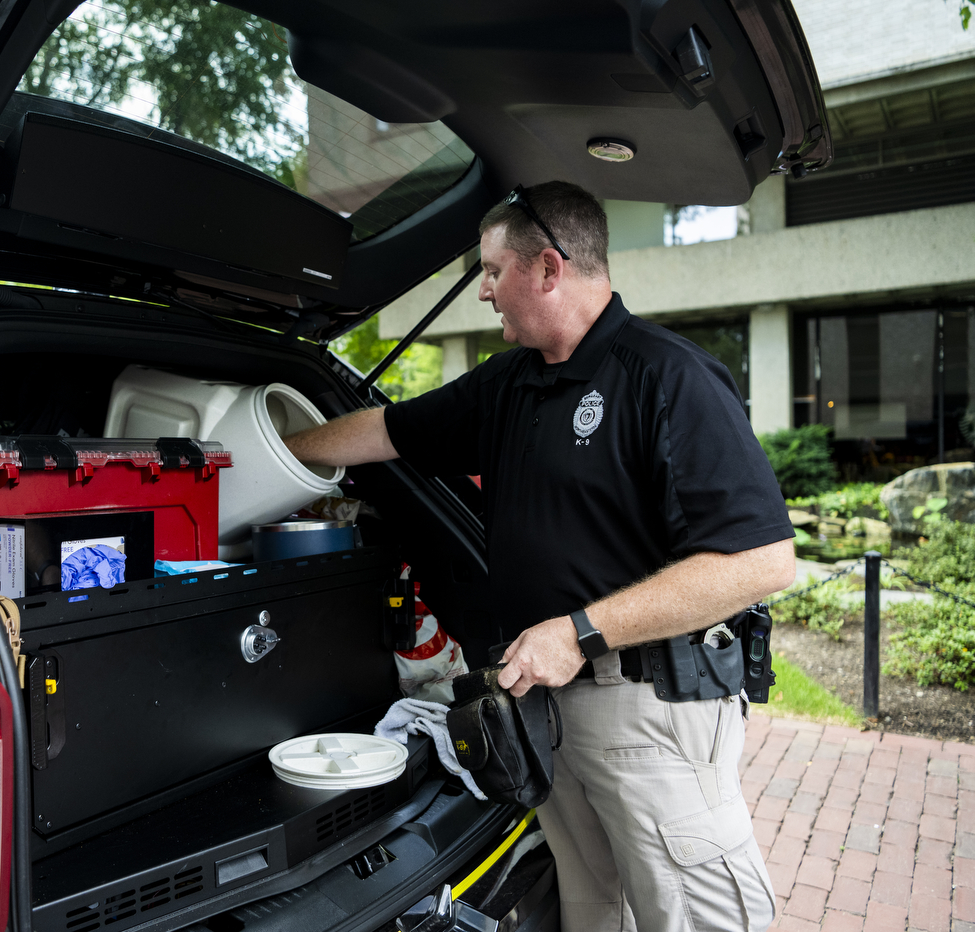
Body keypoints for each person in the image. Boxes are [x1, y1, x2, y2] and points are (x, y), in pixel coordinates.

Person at [283, 181, 795, 932]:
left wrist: (579, 630)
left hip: (649, 712)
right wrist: (250, 456)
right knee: (595, 913)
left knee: (693, 918)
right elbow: (386, 432)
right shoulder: (510, 383)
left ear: (548, 269)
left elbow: (761, 563)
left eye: (493, 271)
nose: (484, 293)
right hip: (547, 715)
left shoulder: (666, 377)